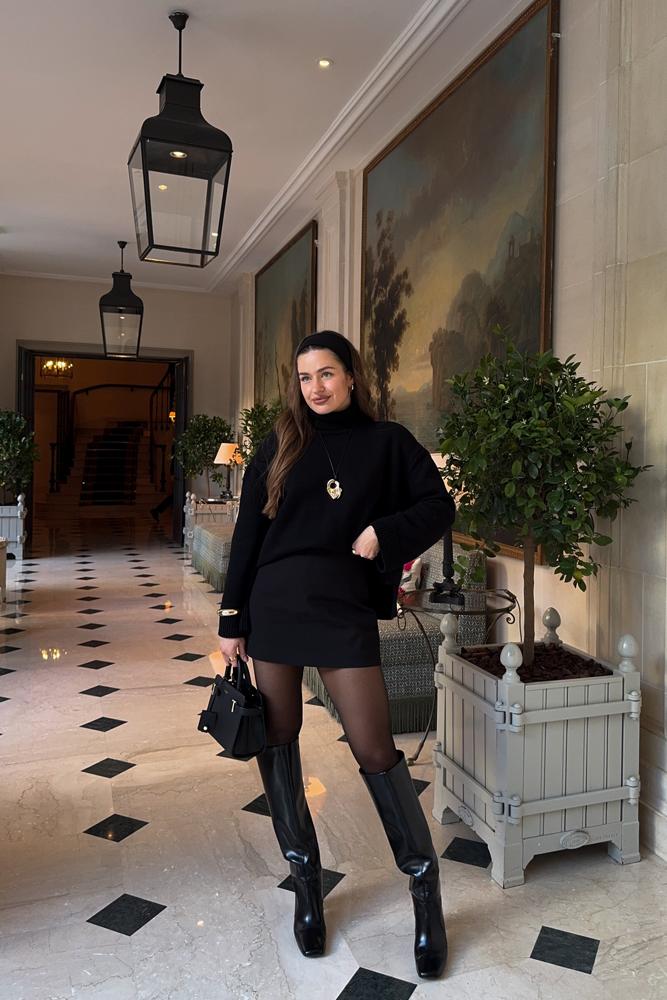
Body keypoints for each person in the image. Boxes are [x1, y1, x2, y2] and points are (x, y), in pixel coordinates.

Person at [218, 330, 455, 979]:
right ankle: (305, 884)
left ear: (351, 375)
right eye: (305, 377)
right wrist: (231, 617)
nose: (315, 387)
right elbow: (249, 530)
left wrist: (383, 532)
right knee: (278, 739)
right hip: (274, 605)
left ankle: (424, 887)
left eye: (326, 373)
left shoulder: (388, 443)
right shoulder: (281, 442)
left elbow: (437, 506)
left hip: (343, 608)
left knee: (375, 749)